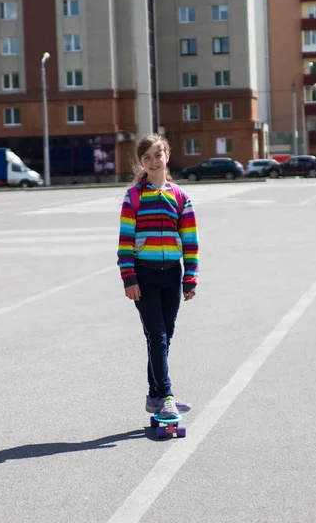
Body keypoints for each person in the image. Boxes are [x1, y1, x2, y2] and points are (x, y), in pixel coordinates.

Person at [117, 134, 199, 419]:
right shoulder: (134, 197)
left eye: (157, 155)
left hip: (172, 275)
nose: (153, 161)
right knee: (157, 335)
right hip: (144, 275)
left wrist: (190, 277)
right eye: (146, 157)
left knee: (165, 336)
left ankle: (154, 396)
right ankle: (166, 395)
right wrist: (129, 278)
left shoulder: (180, 197)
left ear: (168, 156)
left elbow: (190, 240)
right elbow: (125, 240)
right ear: (141, 162)